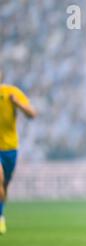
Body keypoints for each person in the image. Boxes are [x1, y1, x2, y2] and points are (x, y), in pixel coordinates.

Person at [0, 69, 37, 234]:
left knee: (4, 184)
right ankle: (0, 218)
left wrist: (17, 103)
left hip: (10, 148)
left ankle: (2, 211)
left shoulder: (11, 92)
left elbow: (32, 114)